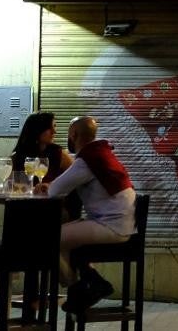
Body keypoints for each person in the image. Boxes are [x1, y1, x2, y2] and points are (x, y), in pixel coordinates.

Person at [41, 116, 138, 312]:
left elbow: (55, 190)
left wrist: (45, 187)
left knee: (47, 240)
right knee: (64, 237)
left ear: (74, 135)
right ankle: (94, 282)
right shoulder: (101, 153)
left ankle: (77, 288)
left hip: (111, 225)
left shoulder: (86, 160)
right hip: (120, 222)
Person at [11, 111, 73, 183]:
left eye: (54, 126)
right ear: (37, 130)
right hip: (26, 194)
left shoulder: (59, 153)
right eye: (49, 128)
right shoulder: (18, 156)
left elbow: (74, 179)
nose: (54, 131)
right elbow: (10, 184)